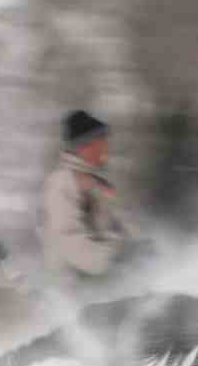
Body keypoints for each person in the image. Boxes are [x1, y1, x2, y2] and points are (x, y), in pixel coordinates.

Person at [40, 110, 150, 300]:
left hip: (106, 280)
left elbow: (120, 224)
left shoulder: (99, 184)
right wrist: (112, 260)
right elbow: (68, 238)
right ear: (86, 145)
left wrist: (139, 246)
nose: (107, 148)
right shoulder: (62, 182)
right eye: (102, 141)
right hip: (77, 288)